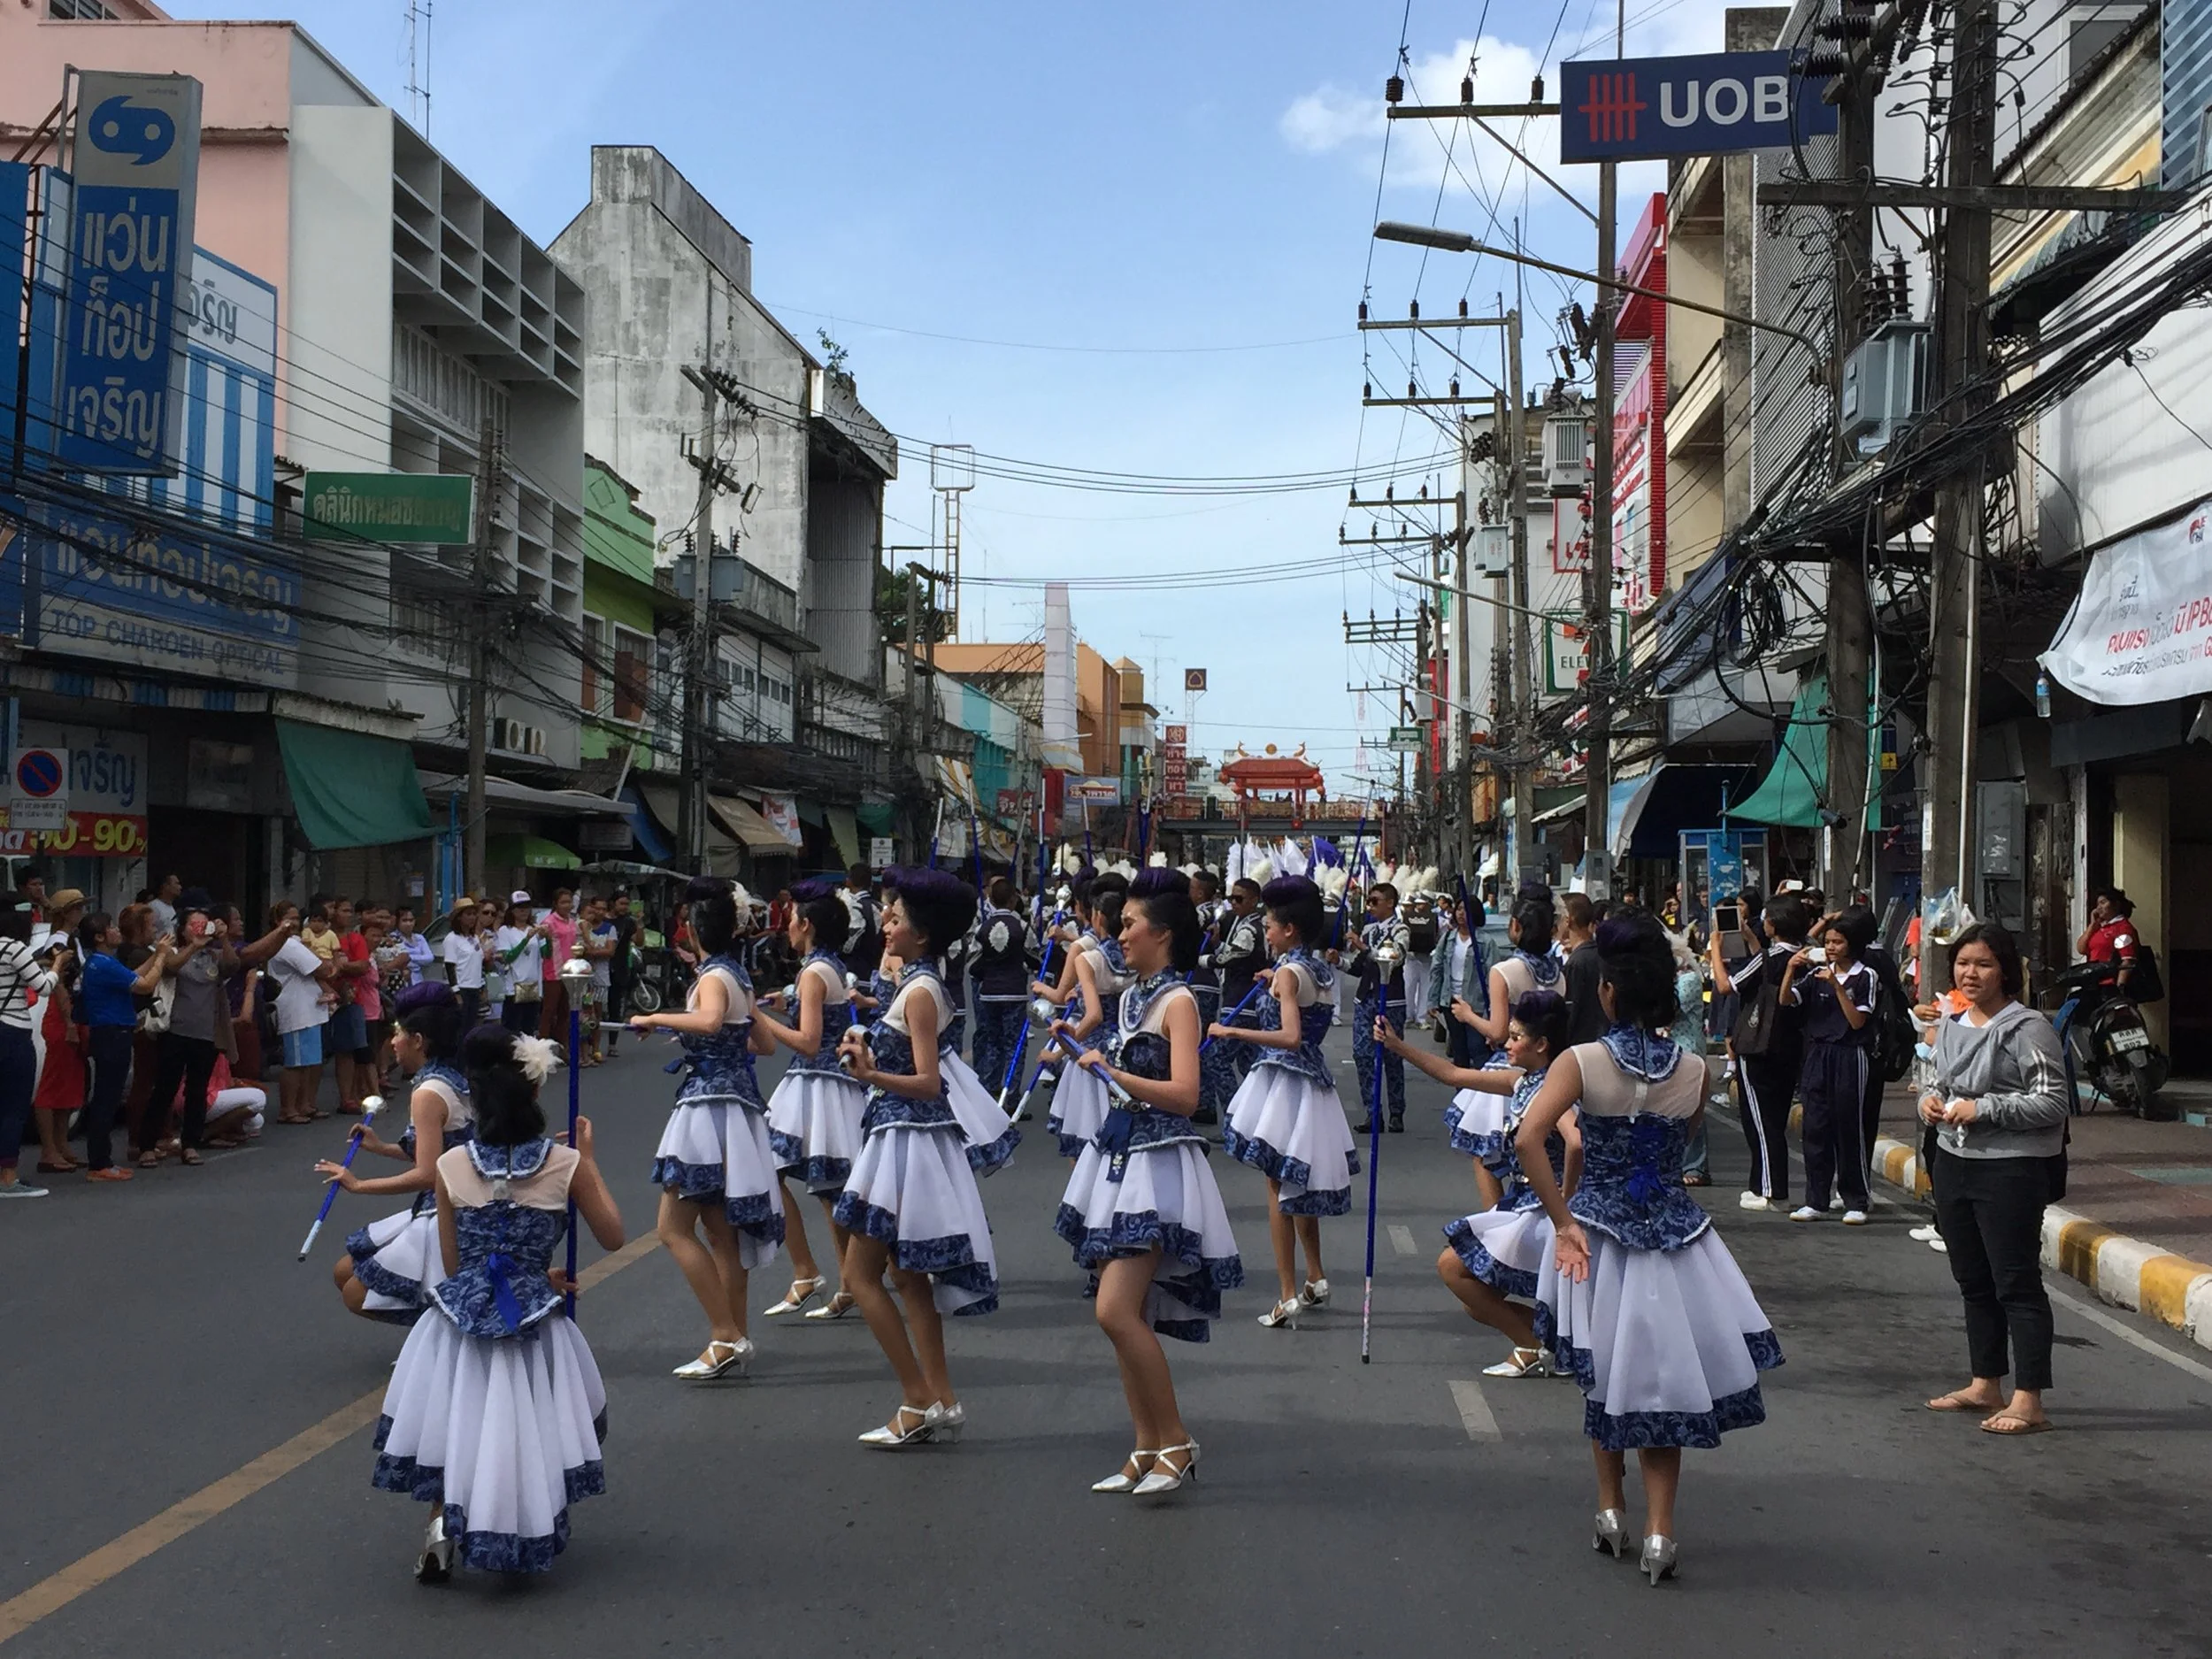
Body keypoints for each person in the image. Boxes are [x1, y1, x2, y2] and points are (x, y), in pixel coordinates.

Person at [1521, 913, 1784, 1583]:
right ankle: (1660, 1532)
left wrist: (1562, 1221)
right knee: (1661, 1381)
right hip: (1676, 1238)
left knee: (1605, 1375)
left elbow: (1529, 1138)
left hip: (1599, 1238)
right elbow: (1678, 1142)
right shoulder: (1695, 1067)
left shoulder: (1580, 1062)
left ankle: (1612, 1511)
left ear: (1607, 991)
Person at [370, 1024, 622, 1581]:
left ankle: (440, 1528)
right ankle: (522, 1522)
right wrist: (588, 1161)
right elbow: (613, 1236)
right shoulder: (566, 1165)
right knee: (523, 1424)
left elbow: (455, 1262)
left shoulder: (449, 1168)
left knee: (459, 1422)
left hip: (458, 1320)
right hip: (531, 1319)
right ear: (535, 1095)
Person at [1055, 867, 1242, 1498]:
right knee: (1119, 1311)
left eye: (1130, 922)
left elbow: (1187, 1094)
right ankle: (1145, 1444)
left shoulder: (1179, 1001)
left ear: (1161, 932)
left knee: (1114, 1309)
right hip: (1120, 1156)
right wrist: (1086, 1056)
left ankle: (1177, 1440)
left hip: (1159, 1164)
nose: (1118, 930)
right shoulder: (1134, 995)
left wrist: (1116, 1074)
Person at [833, 867, 1001, 1447]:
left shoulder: (924, 992)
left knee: (860, 1274)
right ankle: (941, 1396)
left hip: (909, 1137)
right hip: (899, 1135)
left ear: (922, 934)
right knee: (907, 1276)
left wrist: (871, 1070)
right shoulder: (915, 982)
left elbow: (929, 1082)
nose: (885, 922)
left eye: (896, 916)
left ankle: (917, 1397)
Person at [631, 879, 785, 1381]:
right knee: (720, 1232)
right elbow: (762, 1043)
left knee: (672, 1229)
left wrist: (659, 1018)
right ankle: (731, 1335)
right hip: (736, 1105)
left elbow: (714, 1022)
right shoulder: (737, 975)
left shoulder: (715, 977)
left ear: (696, 928)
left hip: (707, 1104)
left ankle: (726, 1333)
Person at [1381, 987, 1579, 1377]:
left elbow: (1576, 1140)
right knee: (1477, 1298)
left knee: (1453, 1268)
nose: (1507, 1042)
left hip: (1541, 1207)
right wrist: (1398, 1046)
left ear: (1542, 1045)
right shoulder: (1521, 1081)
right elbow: (1454, 1074)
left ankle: (1531, 1343)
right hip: (1522, 1200)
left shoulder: (1552, 1090)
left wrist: (1567, 1199)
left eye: (1517, 1037)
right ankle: (1548, 1339)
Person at [1920, 924, 2068, 1436]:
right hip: (1953, 1163)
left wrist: (1984, 1108)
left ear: (2005, 969)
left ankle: (2030, 1399)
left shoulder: (2029, 1029)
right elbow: (1935, 1081)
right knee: (1973, 1280)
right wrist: (1930, 1104)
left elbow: (2052, 1102)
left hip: (2011, 1169)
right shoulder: (1954, 1022)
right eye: (1963, 964)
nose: (1970, 973)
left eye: (1982, 964)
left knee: (2016, 1283)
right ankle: (1986, 1382)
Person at [1213, 874, 1359, 1329]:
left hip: (1284, 1078)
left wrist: (1233, 1030)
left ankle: (1286, 1294)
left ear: (1290, 929)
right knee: (1296, 1184)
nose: (1267, 934)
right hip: (1310, 1082)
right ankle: (1315, 1276)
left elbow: (1291, 1036)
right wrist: (1273, 979)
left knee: (1277, 1187)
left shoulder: (1291, 973)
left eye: (1271, 927)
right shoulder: (1316, 968)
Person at [320, 983, 474, 1320]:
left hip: (448, 1210)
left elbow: (428, 1173)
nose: (392, 1042)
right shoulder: (451, 1078)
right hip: (456, 1199)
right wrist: (380, 1147)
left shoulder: (428, 1092)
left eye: (397, 1033)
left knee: (357, 1292)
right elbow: (441, 1151)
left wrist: (358, 1185)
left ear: (418, 1040)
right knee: (346, 1272)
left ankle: (435, 1340)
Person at [756, 879, 871, 1322]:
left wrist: (759, 1020)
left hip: (816, 1083)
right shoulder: (828, 966)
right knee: (828, 1188)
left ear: (806, 924)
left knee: (781, 1173)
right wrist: (783, 1002)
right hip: (823, 1085)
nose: (786, 925)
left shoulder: (813, 971)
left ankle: (815, 1273)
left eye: (791, 919)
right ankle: (841, 1281)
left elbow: (808, 1041)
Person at [1707, 892, 1811, 1212]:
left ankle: (1769, 1188)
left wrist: (1716, 951)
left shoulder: (1770, 958)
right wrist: (1752, 942)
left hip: (1759, 1046)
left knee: (1759, 1120)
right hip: (1790, 1045)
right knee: (1775, 1118)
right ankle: (1766, 1183)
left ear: (1774, 924)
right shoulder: (1805, 956)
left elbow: (1728, 987)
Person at [1782, 904, 1879, 1225]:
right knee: (1815, 1128)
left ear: (1852, 943)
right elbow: (1786, 1001)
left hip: (1850, 1054)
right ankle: (1816, 1199)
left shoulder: (1865, 976)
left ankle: (1855, 1198)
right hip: (1818, 1054)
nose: (1831, 948)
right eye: (1828, 942)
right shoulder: (1814, 975)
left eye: (1837, 942)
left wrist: (1837, 987)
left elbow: (1856, 1021)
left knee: (1849, 1127)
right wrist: (1790, 970)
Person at [1043, 873, 1134, 1160]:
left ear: (1097, 917)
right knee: (1121, 1134)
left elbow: (1093, 1015)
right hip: (1129, 1045)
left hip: (1091, 1052)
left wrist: (1059, 1053)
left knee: (1084, 1139)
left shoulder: (1088, 957)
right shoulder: (1134, 957)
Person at [76, 912, 169, 1181]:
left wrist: (155, 954)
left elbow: (131, 976)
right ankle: (99, 1162)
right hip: (112, 1033)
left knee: (107, 1095)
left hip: (110, 1032)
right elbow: (145, 985)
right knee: (107, 1098)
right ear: (99, 937)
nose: (117, 931)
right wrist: (162, 956)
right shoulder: (103, 963)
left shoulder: (101, 962)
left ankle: (100, 1160)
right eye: (111, 928)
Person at [148, 909, 238, 1165]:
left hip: (205, 1033)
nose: (199, 928)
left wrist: (223, 939)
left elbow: (233, 965)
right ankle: (148, 1144)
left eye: (203, 923)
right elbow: (171, 968)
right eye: (193, 924)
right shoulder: (173, 951)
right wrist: (193, 946)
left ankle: (190, 1143)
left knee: (197, 1092)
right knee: (164, 1089)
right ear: (184, 928)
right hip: (175, 1031)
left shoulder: (213, 955)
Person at [0, 895, 60, 1198]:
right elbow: (44, 986)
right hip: (12, 1032)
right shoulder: (14, 948)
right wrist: (58, 965)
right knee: (12, 1107)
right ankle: (8, 1177)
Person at [1341, 880, 1409, 1132]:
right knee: (1362, 1055)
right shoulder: (1369, 929)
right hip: (1365, 998)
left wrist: (1363, 946)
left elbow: (1394, 959)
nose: (1369, 906)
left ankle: (1396, 1111)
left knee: (1392, 1054)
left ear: (1390, 903)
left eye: (1374, 901)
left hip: (1389, 999)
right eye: (1368, 901)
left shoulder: (1401, 929)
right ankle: (1373, 1112)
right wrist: (1339, 962)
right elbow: (1359, 967)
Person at [1461, 892, 1560, 1056]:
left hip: (1515, 1059)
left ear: (1515, 925)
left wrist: (1467, 1015)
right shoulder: (1558, 974)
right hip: (1550, 1059)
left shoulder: (1502, 972)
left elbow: (1498, 1033)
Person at [267, 901, 340, 1125]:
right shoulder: (285, 944)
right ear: (278, 922)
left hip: (311, 1009)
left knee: (311, 1062)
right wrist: (331, 966)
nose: (295, 923)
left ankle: (306, 1105)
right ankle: (288, 1109)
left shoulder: (298, 942)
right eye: (289, 918)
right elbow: (322, 968)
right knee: (295, 1064)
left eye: (298, 918)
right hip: (296, 1011)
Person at [968, 877, 1033, 1097]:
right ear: (1014, 900)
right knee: (1015, 1045)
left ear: (992, 901)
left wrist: (987, 970)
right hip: (1014, 993)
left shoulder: (982, 928)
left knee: (993, 1042)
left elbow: (972, 962)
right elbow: (1035, 958)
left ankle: (989, 1089)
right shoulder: (1022, 927)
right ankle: (1011, 1094)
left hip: (989, 993)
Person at [1203, 877, 1268, 1088]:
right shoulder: (1245, 924)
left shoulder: (1250, 928)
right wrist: (1219, 944)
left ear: (1254, 900)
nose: (1233, 903)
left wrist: (1204, 961)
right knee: (1248, 1064)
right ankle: (1253, 1109)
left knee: (1216, 1058)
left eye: (1239, 899)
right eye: (1231, 898)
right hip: (1246, 1002)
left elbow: (1230, 958)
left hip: (1240, 1003)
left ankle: (1235, 1106)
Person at [1668, 933, 1712, 1187]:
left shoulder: (1690, 980)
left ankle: (1696, 1164)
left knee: (1692, 1107)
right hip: (1673, 1047)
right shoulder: (1675, 980)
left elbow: (1672, 1008)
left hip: (1688, 1048)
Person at [1438, 894, 1488, 1064]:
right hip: (1451, 1002)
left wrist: (1491, 1009)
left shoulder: (1485, 942)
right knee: (1459, 1052)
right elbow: (1437, 968)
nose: (1461, 913)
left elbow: (1492, 976)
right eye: (1459, 909)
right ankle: (1462, 1089)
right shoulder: (1447, 939)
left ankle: (1482, 1088)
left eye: (1466, 910)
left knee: (1478, 1048)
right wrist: (1433, 1000)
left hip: (1476, 1004)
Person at [493, 895, 546, 1036]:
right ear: (512, 910)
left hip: (534, 986)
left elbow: (546, 954)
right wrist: (526, 939)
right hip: (514, 987)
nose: (524, 911)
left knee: (529, 1029)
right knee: (511, 1029)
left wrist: (548, 938)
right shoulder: (506, 931)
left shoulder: (535, 928)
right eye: (520, 907)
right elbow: (507, 958)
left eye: (527, 907)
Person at [1559, 893, 1606, 1046]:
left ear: (1568, 920)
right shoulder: (1601, 953)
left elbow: (1571, 1011)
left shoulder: (1576, 963)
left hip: (1581, 1043)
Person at [441, 900, 489, 1025]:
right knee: (460, 1026)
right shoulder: (452, 939)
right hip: (461, 988)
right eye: (468, 914)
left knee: (472, 1024)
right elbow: (450, 966)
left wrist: (482, 985)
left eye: (474, 914)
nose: (472, 918)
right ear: (459, 917)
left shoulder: (474, 938)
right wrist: (456, 992)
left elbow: (478, 963)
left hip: (474, 987)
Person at [605, 891, 639, 1052]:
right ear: (612, 904)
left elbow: (639, 942)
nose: (625, 907)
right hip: (601, 967)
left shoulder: (629, 922)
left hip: (620, 968)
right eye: (622, 903)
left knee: (615, 1007)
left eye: (627, 904)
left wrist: (639, 924)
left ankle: (612, 1044)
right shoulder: (602, 920)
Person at [391, 905, 434, 986]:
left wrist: (409, 957)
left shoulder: (419, 938)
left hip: (419, 980)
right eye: (404, 920)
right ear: (397, 922)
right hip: (401, 981)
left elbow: (429, 958)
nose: (408, 924)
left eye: (411, 920)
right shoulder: (393, 938)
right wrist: (419, 959)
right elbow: (397, 960)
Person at [149, 872, 181, 941]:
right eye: (177, 884)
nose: (180, 887)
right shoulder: (153, 907)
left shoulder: (172, 908)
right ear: (166, 886)